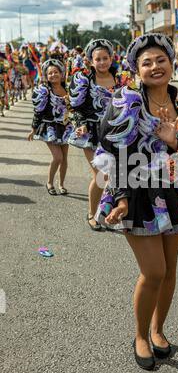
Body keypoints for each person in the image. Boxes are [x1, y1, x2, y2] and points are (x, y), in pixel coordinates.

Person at [94, 33, 178, 371]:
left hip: (174, 193)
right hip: (134, 194)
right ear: (136, 69)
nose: (155, 66)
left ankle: (159, 330)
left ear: (172, 63)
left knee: (170, 271)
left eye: (161, 59)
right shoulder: (127, 103)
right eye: (147, 62)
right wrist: (118, 197)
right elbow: (108, 153)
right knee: (154, 271)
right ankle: (141, 335)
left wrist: (174, 142)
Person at [69, 39, 133, 231]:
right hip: (92, 133)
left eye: (105, 58)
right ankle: (91, 213)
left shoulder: (122, 79)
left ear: (112, 58)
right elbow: (77, 108)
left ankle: (112, 213)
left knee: (117, 175)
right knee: (101, 176)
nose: (102, 62)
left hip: (117, 133)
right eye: (98, 59)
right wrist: (80, 125)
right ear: (90, 61)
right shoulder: (85, 81)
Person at [27, 59, 73, 195]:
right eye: (50, 73)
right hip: (49, 128)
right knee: (57, 157)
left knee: (64, 158)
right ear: (46, 76)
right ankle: (49, 182)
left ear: (61, 73)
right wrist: (33, 129)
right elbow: (38, 112)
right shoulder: (45, 91)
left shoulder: (68, 89)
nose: (53, 75)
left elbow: (74, 109)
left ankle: (62, 184)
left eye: (56, 72)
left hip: (65, 127)